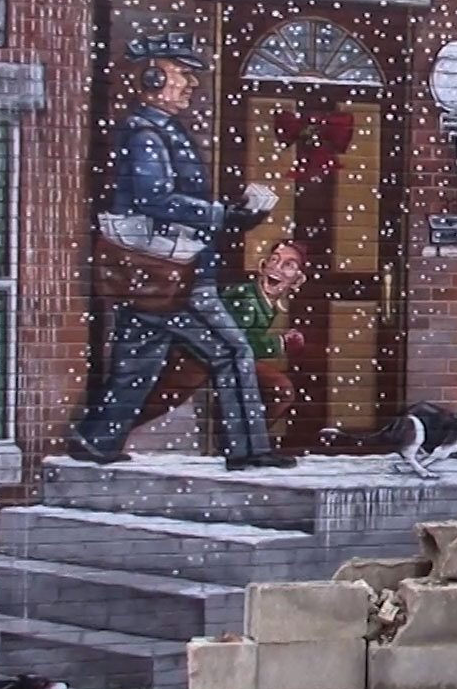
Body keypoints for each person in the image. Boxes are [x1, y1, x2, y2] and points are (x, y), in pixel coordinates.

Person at [70, 33, 295, 471]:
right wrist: (224, 215)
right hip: (176, 272)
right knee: (232, 352)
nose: (190, 84)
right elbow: (156, 197)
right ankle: (248, 449)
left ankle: (96, 440)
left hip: (150, 276)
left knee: (136, 363)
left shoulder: (155, 129)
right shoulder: (147, 135)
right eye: (182, 74)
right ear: (152, 76)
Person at [132, 239, 306, 433]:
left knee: (278, 390)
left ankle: (237, 438)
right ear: (263, 266)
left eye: (288, 265)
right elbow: (239, 341)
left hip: (219, 356)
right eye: (274, 260)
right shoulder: (246, 298)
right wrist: (279, 343)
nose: (277, 268)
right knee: (160, 399)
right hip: (200, 355)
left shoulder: (264, 302)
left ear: (297, 280)